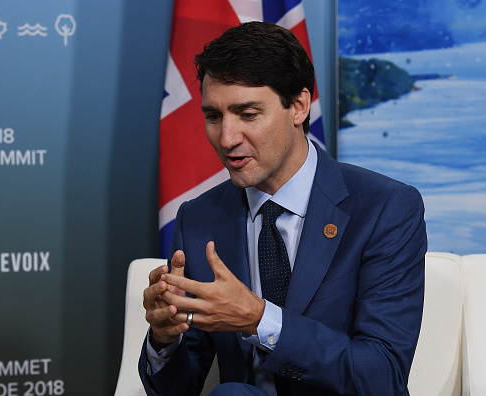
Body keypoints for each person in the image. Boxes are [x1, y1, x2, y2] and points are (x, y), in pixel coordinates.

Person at [139, 21, 427, 396]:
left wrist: (260, 319)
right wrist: (165, 340)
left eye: (247, 114)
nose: (227, 138)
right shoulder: (199, 219)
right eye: (213, 116)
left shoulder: (384, 208)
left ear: (299, 106)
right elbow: (179, 390)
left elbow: (382, 375)